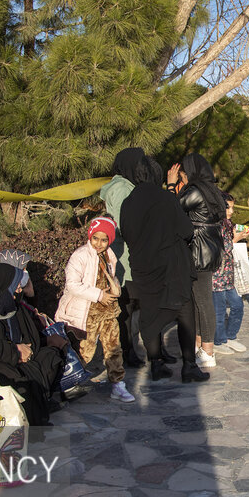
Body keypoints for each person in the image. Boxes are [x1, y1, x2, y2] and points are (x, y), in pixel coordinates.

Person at [121, 156, 208, 383]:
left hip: (142, 266)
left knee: (150, 314)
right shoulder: (165, 199)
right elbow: (186, 230)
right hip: (171, 266)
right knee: (185, 313)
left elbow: (127, 233)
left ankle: (156, 364)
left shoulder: (128, 202)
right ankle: (189, 366)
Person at [0, 262, 73, 417]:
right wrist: (15, 351)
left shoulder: (14, 307)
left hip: (27, 356)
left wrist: (46, 341)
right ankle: (33, 406)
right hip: (1, 361)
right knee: (17, 378)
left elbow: (30, 336)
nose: (19, 289)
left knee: (52, 356)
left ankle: (41, 398)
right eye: (15, 285)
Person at [55, 218, 133, 403]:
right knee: (85, 351)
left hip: (108, 311)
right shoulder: (80, 255)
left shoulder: (109, 255)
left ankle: (118, 384)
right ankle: (68, 383)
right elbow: (72, 285)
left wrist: (115, 288)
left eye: (104, 240)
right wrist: (99, 295)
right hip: (87, 312)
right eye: (95, 238)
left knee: (113, 348)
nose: (99, 243)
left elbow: (110, 277)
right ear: (90, 236)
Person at [170, 153, 226, 370]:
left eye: (183, 172)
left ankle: (208, 351)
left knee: (201, 300)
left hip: (197, 250)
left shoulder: (195, 190)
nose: (182, 176)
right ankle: (200, 345)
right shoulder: (211, 190)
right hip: (209, 248)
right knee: (199, 300)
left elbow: (173, 209)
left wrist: (171, 185)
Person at [99, 148, 148, 368]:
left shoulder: (127, 185)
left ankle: (129, 349)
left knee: (131, 307)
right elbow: (123, 221)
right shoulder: (120, 188)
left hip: (131, 254)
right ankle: (126, 352)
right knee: (126, 308)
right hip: (125, 256)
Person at [212, 193, 249, 354]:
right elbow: (221, 248)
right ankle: (218, 341)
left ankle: (230, 336)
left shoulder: (228, 224)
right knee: (219, 311)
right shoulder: (215, 225)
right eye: (229, 207)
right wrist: (235, 239)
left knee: (237, 306)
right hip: (217, 276)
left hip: (229, 275)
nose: (231, 211)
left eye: (233, 207)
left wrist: (241, 234)